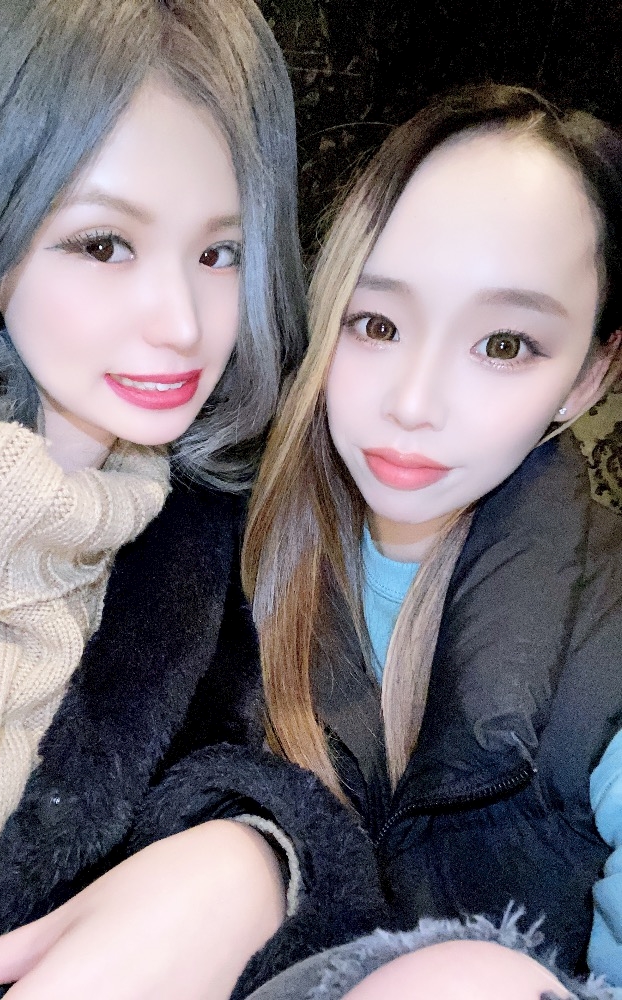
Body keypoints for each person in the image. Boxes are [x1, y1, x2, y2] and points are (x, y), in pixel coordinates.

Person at [0, 2, 385, 998]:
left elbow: (319, 812)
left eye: (221, 252)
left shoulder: (230, 555)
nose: (183, 323)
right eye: (105, 244)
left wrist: (256, 859)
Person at [242, 83, 622, 999]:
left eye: (504, 345)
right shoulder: (213, 553)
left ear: (587, 378)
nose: (413, 403)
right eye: (377, 324)